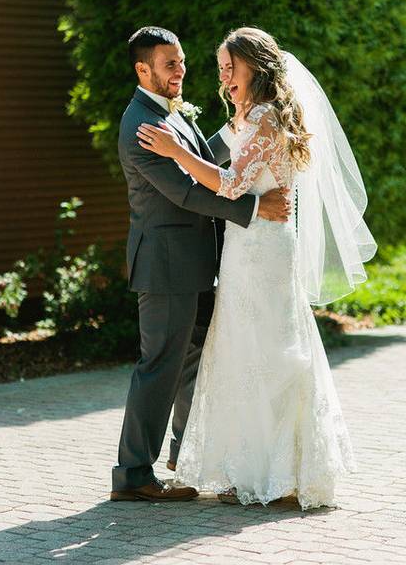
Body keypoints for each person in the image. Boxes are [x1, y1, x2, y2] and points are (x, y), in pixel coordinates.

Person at [136, 26, 376, 509]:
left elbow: (227, 183)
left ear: (256, 67)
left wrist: (174, 152)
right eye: (221, 69)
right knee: (241, 352)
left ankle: (285, 476)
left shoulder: (266, 118)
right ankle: (246, 467)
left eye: (231, 68)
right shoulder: (246, 115)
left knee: (270, 352)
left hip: (266, 249)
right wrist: (180, 151)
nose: (224, 78)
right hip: (244, 247)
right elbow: (213, 154)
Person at [110, 27, 292, 503]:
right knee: (160, 366)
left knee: (191, 363)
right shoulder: (140, 126)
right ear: (142, 70)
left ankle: (183, 455)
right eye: (170, 65)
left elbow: (205, 156)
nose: (181, 72)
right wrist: (252, 211)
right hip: (165, 264)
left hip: (194, 263)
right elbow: (185, 191)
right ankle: (132, 473)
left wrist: (247, 126)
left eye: (182, 62)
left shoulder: (170, 114)